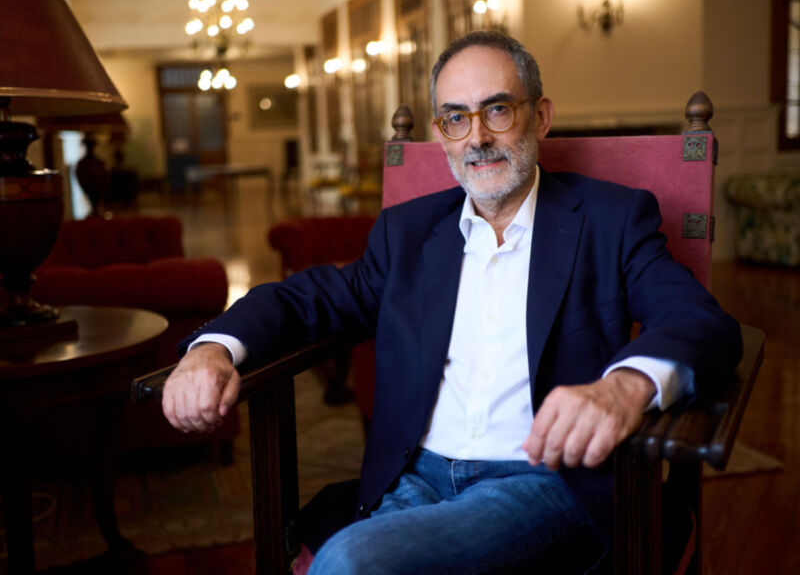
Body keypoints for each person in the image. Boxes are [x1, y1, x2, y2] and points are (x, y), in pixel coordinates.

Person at [162, 31, 742, 574]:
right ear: (441, 133)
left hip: (546, 484)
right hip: (414, 479)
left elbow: (697, 319)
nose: (477, 138)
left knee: (352, 562)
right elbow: (306, 299)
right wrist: (213, 349)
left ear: (540, 117)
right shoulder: (408, 233)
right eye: (456, 118)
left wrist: (623, 387)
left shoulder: (611, 220)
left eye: (497, 110)